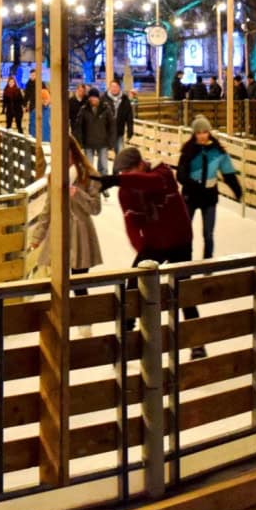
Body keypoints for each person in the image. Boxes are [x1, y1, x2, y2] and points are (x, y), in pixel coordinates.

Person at [97, 145, 203, 359]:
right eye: (121, 174)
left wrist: (119, 180)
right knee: (133, 281)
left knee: (183, 289)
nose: (124, 177)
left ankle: (196, 342)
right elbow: (132, 223)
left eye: (128, 172)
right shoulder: (126, 189)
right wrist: (142, 249)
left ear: (140, 165)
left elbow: (151, 183)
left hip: (180, 240)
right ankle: (127, 333)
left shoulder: (162, 172)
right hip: (154, 244)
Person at [175, 117, 244, 259]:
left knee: (208, 233)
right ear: (194, 134)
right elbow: (180, 174)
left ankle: (208, 262)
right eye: (199, 133)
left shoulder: (217, 151)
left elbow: (228, 172)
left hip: (209, 197)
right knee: (185, 232)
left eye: (205, 132)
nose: (202, 136)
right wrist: (193, 185)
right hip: (191, 197)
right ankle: (184, 260)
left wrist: (237, 190)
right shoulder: (188, 151)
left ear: (209, 132)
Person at [76, 85, 117, 175]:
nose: (93, 99)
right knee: (89, 168)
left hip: (103, 142)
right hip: (88, 143)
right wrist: (80, 143)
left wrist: (111, 142)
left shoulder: (106, 109)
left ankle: (103, 184)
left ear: (98, 98)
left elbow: (112, 126)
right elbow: (78, 127)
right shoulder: (84, 109)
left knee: (104, 167)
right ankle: (91, 185)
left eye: (95, 97)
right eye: (91, 98)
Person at [109, 76, 136, 141]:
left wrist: (130, 131)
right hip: (106, 133)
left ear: (119, 88)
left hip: (119, 132)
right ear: (110, 88)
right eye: (112, 87)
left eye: (116, 87)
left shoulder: (125, 99)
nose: (114, 89)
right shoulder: (104, 99)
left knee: (120, 150)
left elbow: (129, 118)